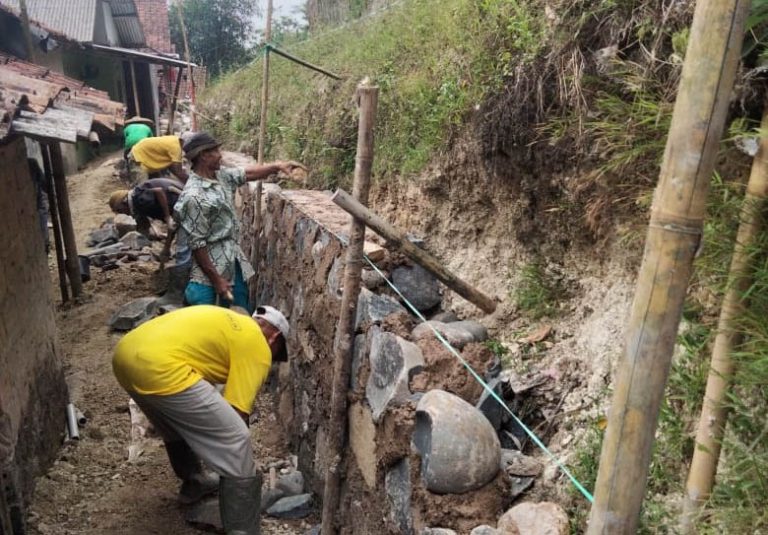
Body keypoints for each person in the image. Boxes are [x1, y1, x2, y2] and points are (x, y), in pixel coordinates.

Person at [112, 304, 289, 535]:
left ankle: (194, 483)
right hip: (160, 367)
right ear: (274, 337)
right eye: (278, 354)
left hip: (124, 355)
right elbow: (237, 414)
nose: (273, 359)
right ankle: (242, 528)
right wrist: (240, 464)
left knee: (174, 421)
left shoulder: (227, 320)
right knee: (237, 438)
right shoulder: (259, 344)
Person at [175, 132, 306, 311]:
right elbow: (197, 245)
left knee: (239, 315)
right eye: (216, 151)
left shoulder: (220, 176)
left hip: (231, 261)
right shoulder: (195, 196)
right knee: (207, 319)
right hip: (209, 272)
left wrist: (277, 166)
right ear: (204, 156)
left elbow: (247, 173)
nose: (220, 155)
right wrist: (217, 281)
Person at [108, 178, 190, 303]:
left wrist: (167, 219)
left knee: (183, 251)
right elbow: (149, 227)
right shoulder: (138, 200)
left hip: (184, 204)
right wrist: (161, 239)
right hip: (181, 201)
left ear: (124, 203)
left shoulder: (138, 199)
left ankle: (179, 293)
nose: (124, 213)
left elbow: (159, 191)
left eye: (120, 210)